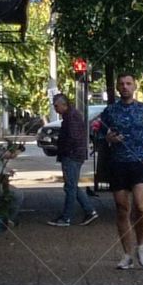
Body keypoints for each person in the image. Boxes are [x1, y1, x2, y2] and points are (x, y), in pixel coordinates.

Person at [95, 74, 143, 269]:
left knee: (141, 207)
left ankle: (141, 245)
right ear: (117, 87)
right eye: (122, 84)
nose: (125, 87)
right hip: (117, 164)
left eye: (128, 84)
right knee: (122, 209)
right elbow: (98, 135)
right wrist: (108, 138)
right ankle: (127, 254)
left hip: (140, 163)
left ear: (135, 86)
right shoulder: (110, 111)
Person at [47, 93, 98, 228]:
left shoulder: (71, 117)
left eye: (56, 106)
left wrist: (64, 150)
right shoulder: (71, 116)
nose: (55, 108)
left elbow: (73, 138)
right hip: (74, 155)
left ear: (64, 104)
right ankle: (89, 211)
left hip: (72, 156)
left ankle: (66, 217)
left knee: (70, 187)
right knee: (72, 186)